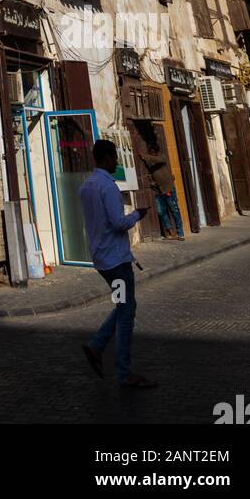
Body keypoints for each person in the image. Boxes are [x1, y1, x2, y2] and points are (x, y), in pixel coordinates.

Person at [79, 138, 157, 389]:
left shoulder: (87, 186)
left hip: (103, 259)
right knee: (126, 313)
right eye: (114, 157)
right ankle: (123, 371)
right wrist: (137, 214)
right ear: (106, 158)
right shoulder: (107, 187)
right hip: (116, 260)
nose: (116, 162)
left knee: (125, 305)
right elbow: (117, 222)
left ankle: (97, 346)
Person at [139, 135, 184, 240]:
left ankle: (180, 233)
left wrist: (145, 156)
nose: (151, 154)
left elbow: (158, 160)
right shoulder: (150, 162)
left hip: (168, 189)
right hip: (159, 191)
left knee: (174, 211)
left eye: (152, 152)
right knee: (161, 211)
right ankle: (170, 231)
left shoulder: (161, 158)